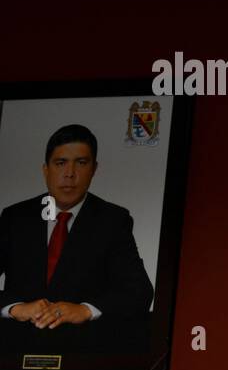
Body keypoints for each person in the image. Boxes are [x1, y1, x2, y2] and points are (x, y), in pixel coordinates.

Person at [0, 124, 155, 354]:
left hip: (82, 353)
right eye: (60, 163)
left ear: (94, 169)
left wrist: (84, 310)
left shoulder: (113, 220)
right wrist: (15, 308)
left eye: (81, 163)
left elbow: (139, 291)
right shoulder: (15, 217)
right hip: (15, 352)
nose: (70, 173)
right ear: (45, 169)